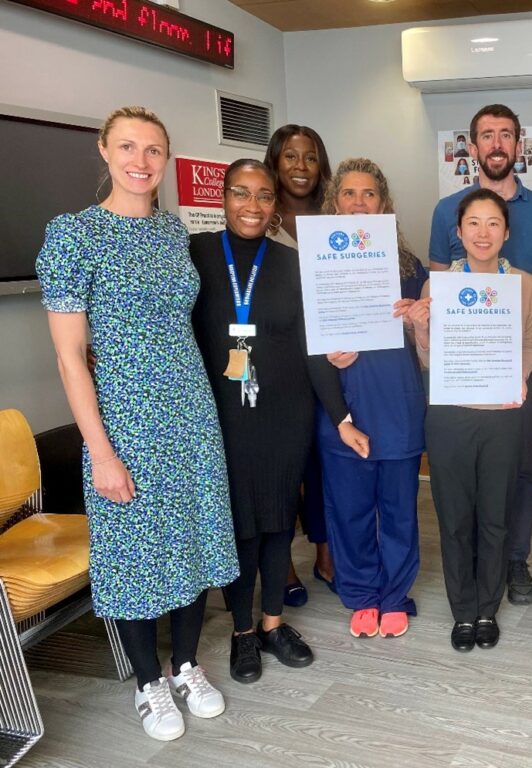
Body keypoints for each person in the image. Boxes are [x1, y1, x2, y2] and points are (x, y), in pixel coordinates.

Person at [36, 106, 238, 741]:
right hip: (123, 418)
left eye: (153, 150)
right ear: (103, 151)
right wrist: (99, 450)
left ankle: (185, 664)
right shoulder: (74, 235)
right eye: (127, 147)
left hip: (189, 410)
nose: (140, 161)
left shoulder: (174, 233)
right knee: (133, 553)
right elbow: (71, 358)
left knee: (192, 540)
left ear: (165, 158)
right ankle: (149, 681)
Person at [190, 159, 345, 684]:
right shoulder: (197, 256)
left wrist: (340, 417)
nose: (251, 206)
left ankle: (274, 623)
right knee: (240, 525)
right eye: (241, 193)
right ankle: (241, 632)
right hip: (221, 414)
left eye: (263, 196)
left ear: (275, 206)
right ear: (224, 198)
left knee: (279, 519)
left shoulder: (293, 264)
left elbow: (313, 349)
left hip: (286, 412)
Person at [428, 104, 532, 606]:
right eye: (487, 135)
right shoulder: (446, 209)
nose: (497, 143)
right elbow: (439, 292)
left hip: (517, 376)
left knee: (519, 472)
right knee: (467, 491)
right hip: (462, 384)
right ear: (473, 145)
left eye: (506, 134)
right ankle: (474, 586)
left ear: (518, 143)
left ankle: (515, 562)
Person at [411, 188, 532, 651]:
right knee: (454, 518)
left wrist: (517, 378)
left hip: (503, 414)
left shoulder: (524, 285)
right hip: (449, 417)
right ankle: (462, 612)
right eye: (473, 223)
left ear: (506, 232)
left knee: (495, 518)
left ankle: (488, 608)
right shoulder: (436, 286)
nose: (482, 233)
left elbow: (529, 344)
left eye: (492, 223)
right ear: (458, 232)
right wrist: (421, 330)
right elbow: (428, 361)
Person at [316, 158, 428, 640]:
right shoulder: (316, 266)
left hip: (397, 401)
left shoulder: (410, 268)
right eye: (349, 194)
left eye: (369, 194)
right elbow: (303, 342)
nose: (359, 203)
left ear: (384, 204)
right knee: (350, 507)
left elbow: (428, 349)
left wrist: (416, 320)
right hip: (341, 403)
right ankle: (361, 593)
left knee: (400, 507)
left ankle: (394, 594)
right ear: (334, 203)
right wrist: (327, 354)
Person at [263, 124, 335, 604]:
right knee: (284, 466)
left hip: (331, 360)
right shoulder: (257, 222)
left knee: (326, 464)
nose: (301, 167)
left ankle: (328, 554)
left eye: (310, 157)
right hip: (278, 364)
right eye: (290, 157)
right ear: (275, 162)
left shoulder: (337, 222)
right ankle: (284, 564)